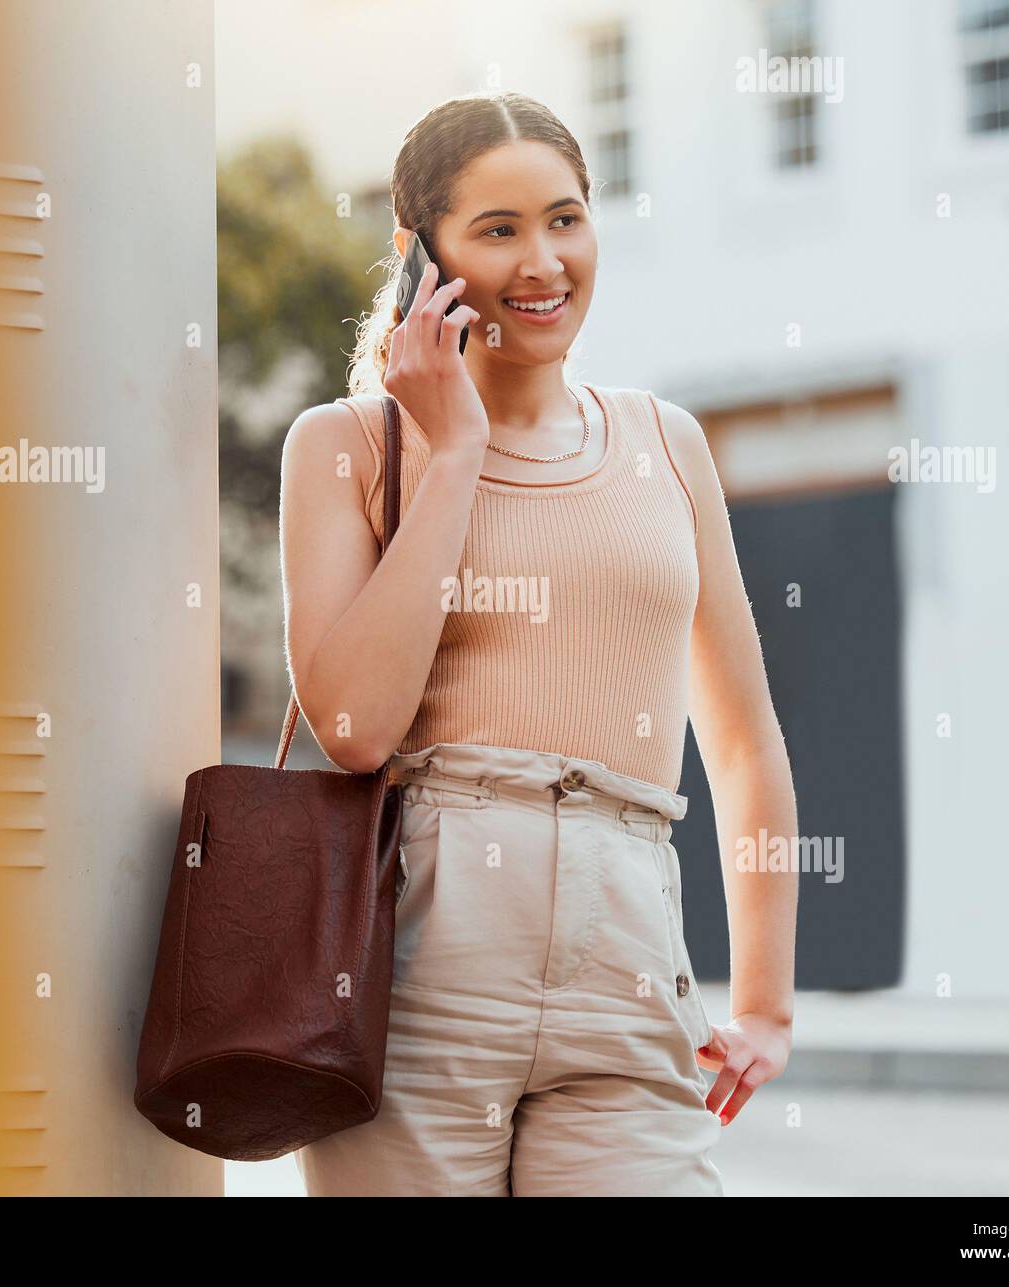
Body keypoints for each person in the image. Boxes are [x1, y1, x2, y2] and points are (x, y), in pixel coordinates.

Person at [279, 91, 798, 1196]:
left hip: (627, 951)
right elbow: (355, 728)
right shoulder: (345, 448)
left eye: (564, 218)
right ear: (421, 253)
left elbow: (743, 740)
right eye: (498, 229)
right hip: (418, 970)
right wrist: (453, 450)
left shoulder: (669, 444)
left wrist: (764, 1002)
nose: (542, 261)